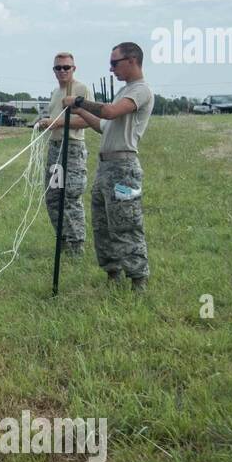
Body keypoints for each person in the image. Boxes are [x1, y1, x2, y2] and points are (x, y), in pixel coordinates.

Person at [71, 42, 154, 291]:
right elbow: (103, 125)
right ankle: (112, 274)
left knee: (126, 225)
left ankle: (138, 281)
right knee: (103, 225)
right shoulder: (125, 90)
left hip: (124, 170)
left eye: (114, 63)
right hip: (106, 168)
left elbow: (109, 112)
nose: (111, 69)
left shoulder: (140, 91)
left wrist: (79, 100)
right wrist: (79, 110)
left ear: (132, 60)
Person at [34, 53, 91, 256]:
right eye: (58, 68)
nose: (62, 71)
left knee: (70, 197)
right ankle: (64, 241)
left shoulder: (81, 89)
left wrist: (56, 123)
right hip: (55, 149)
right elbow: (54, 118)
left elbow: (88, 121)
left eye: (66, 67)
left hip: (72, 149)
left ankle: (77, 247)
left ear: (74, 68)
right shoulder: (55, 92)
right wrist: (45, 123)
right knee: (53, 197)